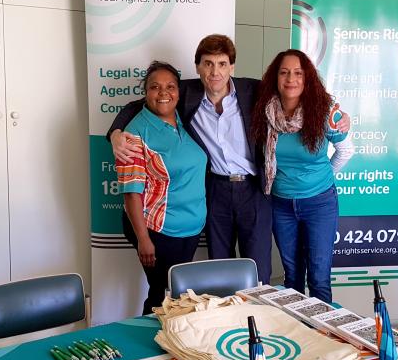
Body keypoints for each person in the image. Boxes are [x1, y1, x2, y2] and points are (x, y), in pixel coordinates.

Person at [108, 35, 273, 283]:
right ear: (197, 67)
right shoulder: (186, 92)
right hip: (215, 191)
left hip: (253, 191)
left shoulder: (253, 90)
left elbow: (293, 95)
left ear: (232, 67)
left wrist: (334, 115)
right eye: (208, 63)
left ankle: (256, 319)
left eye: (222, 63)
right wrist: (115, 133)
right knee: (221, 269)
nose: (215, 71)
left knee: (258, 270)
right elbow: (138, 105)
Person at [251, 49, 353, 303]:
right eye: (284, 72)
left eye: (298, 73)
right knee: (292, 276)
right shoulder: (264, 112)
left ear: (307, 78)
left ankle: (323, 338)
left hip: (319, 203)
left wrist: (322, 177)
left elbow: (346, 150)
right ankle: (297, 336)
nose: (291, 79)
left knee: (318, 278)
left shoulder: (324, 111)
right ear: (275, 77)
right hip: (281, 204)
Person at [116, 61, 207, 314]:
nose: (163, 92)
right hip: (158, 230)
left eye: (170, 86)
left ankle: (172, 347)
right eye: (155, 87)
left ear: (179, 91)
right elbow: (131, 192)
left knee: (178, 296)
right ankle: (149, 348)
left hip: (190, 228)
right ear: (145, 92)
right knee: (160, 296)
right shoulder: (134, 134)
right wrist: (143, 239)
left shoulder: (183, 118)